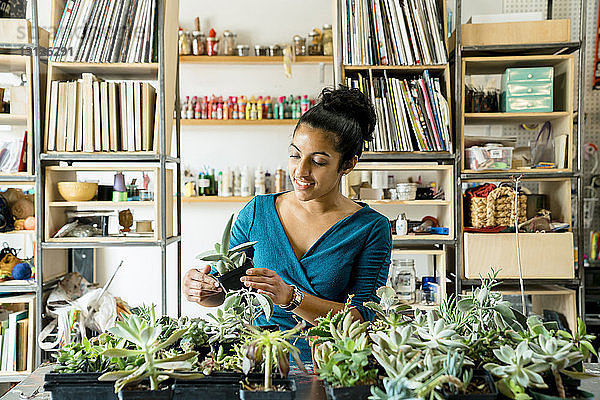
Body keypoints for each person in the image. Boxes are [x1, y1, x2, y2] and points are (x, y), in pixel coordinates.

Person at [183, 86, 392, 364]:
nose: (301, 171)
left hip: (329, 368)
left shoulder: (371, 228)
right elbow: (228, 289)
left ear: (348, 164)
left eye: (318, 161)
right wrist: (203, 290)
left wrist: (291, 298)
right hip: (257, 363)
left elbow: (364, 319)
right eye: (295, 155)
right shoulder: (257, 212)